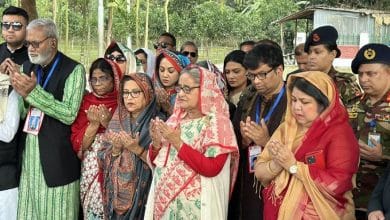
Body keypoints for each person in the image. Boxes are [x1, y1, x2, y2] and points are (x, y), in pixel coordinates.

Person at [8, 19, 86, 219]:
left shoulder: (74, 70)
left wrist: (33, 93)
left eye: (36, 43)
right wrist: (19, 91)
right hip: (29, 164)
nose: (31, 49)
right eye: (28, 44)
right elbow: (24, 113)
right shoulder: (27, 67)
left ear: (52, 42)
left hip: (57, 165)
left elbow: (69, 113)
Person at [255, 71, 359, 219]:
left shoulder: (339, 134)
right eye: (294, 100)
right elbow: (260, 171)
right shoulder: (287, 129)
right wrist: (279, 164)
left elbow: (338, 184)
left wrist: (293, 166)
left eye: (304, 102)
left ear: (324, 104)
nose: (296, 107)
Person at [144, 65, 239, 219]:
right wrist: (155, 145)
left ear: (204, 90)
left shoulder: (217, 123)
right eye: (179, 88)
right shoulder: (175, 120)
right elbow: (157, 162)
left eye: (187, 89)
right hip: (165, 208)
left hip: (197, 209)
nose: (180, 94)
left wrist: (178, 143)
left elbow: (212, 168)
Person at [228, 43, 287, 220]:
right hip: (248, 177)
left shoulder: (294, 100)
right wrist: (244, 140)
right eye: (252, 76)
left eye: (262, 74)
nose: (257, 81)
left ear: (279, 70)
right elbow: (233, 136)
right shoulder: (248, 97)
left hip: (280, 179)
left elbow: (301, 145)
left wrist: (267, 142)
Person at [99, 73, 160, 219]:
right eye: (125, 93)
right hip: (116, 193)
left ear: (148, 94)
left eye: (135, 92)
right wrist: (115, 150)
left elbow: (162, 164)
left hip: (144, 193)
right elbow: (101, 156)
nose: (129, 97)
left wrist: (137, 149)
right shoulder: (117, 119)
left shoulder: (157, 123)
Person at [71, 58, 122, 219]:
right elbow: (78, 144)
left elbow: (127, 139)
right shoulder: (85, 103)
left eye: (103, 78)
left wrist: (107, 123)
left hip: (118, 167)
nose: (98, 83)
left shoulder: (124, 102)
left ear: (114, 79)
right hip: (90, 169)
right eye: (94, 79)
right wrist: (93, 125)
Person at [347, 43, 390, 219]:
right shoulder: (352, 104)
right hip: (348, 198)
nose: (363, 79)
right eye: (361, 74)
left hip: (380, 204)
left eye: (371, 74)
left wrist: (384, 155)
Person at [0, 6, 29, 220]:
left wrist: (17, 79)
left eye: (17, 25)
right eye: (6, 25)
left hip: (20, 144)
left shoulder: (33, 58)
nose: (10, 29)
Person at [304, 25, 362, 105]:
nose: (311, 57)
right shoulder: (302, 81)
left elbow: (355, 115)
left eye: (317, 52)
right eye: (309, 52)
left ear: (332, 54)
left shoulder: (345, 85)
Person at [154, 49, 190, 117]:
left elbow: (184, 121)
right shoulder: (153, 90)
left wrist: (168, 108)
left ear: (180, 72)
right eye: (161, 70)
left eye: (171, 71)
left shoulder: (185, 95)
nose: (165, 75)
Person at [0, 6, 29, 74]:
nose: (10, 30)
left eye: (16, 26)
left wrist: (22, 73)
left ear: (27, 29)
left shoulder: (36, 56)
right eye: (6, 25)